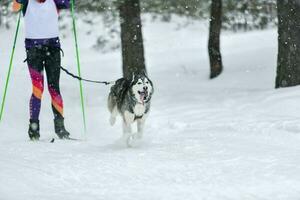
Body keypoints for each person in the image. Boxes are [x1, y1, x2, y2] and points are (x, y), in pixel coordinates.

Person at [13, 0, 71, 140]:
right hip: (33, 49)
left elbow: (67, 4)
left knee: (54, 88)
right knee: (37, 89)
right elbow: (15, 7)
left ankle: (60, 128)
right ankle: (34, 129)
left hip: (53, 47)